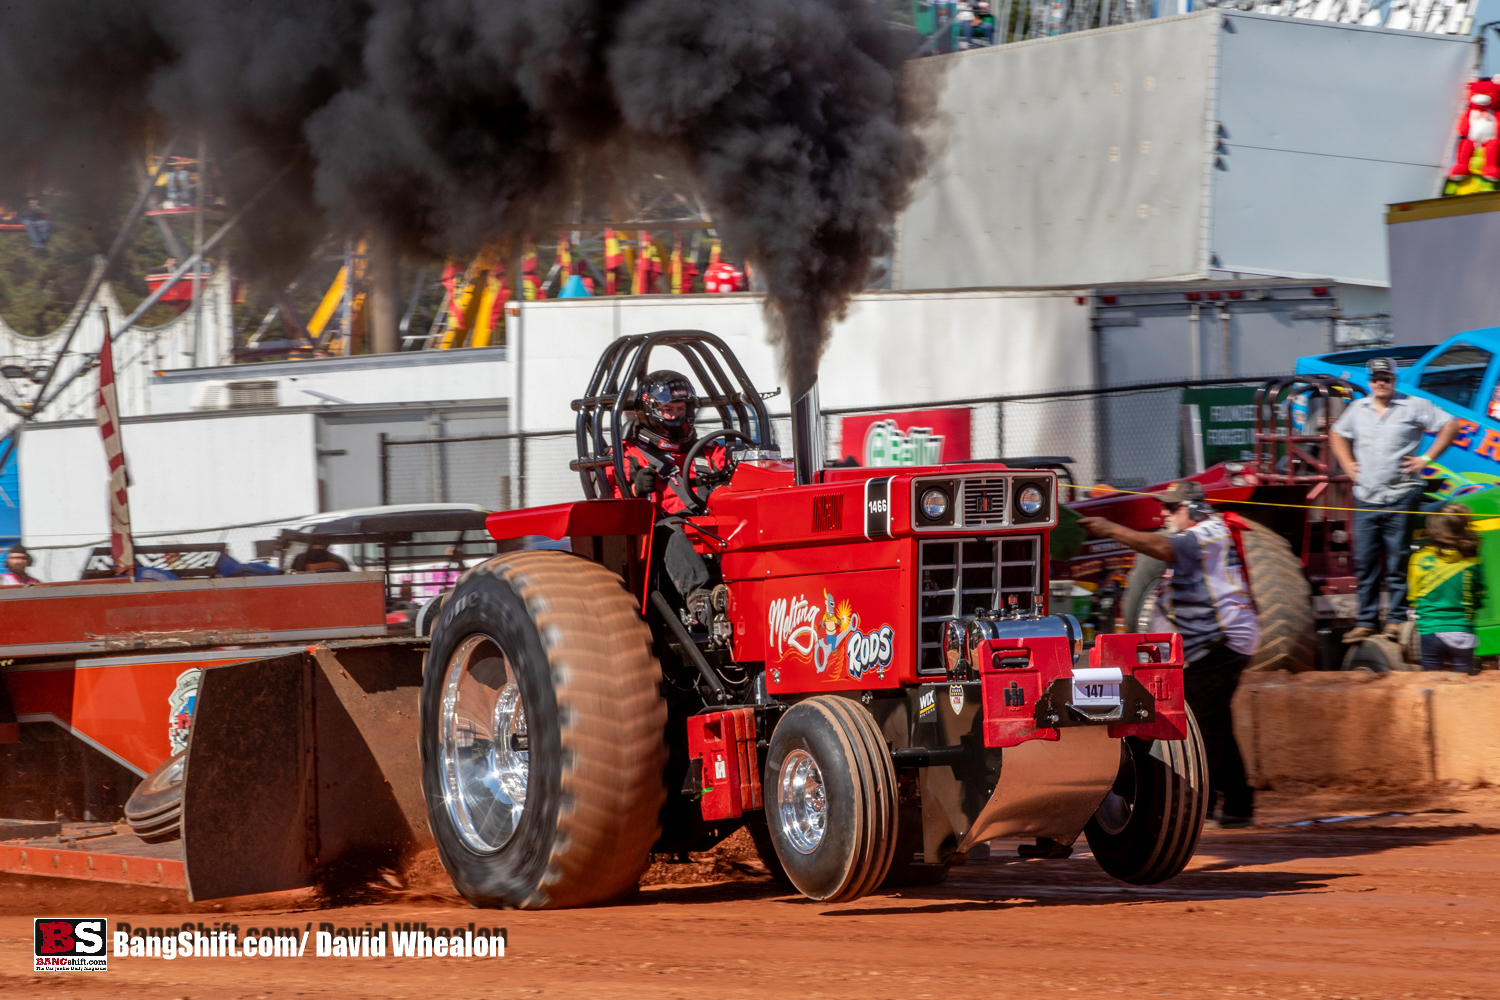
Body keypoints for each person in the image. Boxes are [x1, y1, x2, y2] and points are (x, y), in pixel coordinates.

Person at [1077, 480, 1260, 827]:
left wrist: (1109, 529)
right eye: (1163, 506)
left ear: (1194, 508)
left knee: (1203, 723)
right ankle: (1238, 803)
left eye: (1172, 507)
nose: (1164, 513)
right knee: (1215, 720)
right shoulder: (1206, 533)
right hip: (1218, 642)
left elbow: (1161, 546)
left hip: (1220, 643)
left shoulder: (1203, 534)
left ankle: (1200, 805)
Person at [1329, 357, 1460, 642]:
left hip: (1402, 495)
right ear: (1370, 381)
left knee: (1397, 560)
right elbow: (1336, 434)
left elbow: (1451, 425)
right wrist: (1347, 464)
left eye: (1386, 378)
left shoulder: (1414, 405)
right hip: (1366, 497)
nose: (1381, 383)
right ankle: (1366, 621)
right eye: (1376, 378)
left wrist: (1426, 459)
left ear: (1394, 380)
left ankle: (1396, 620)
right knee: (1364, 561)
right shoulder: (1357, 409)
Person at [604, 370, 729, 603]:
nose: (675, 416)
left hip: (711, 526)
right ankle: (703, 602)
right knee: (674, 529)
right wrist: (635, 490)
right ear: (650, 412)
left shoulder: (709, 450)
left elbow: (742, 481)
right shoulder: (627, 453)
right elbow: (609, 508)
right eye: (668, 409)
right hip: (659, 537)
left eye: (680, 409)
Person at [1408, 504, 1483, 674]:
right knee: (1461, 684)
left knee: (1432, 682)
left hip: (1430, 631)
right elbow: (1478, 594)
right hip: (1463, 632)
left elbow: (1413, 597)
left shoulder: (1419, 559)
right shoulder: (1472, 560)